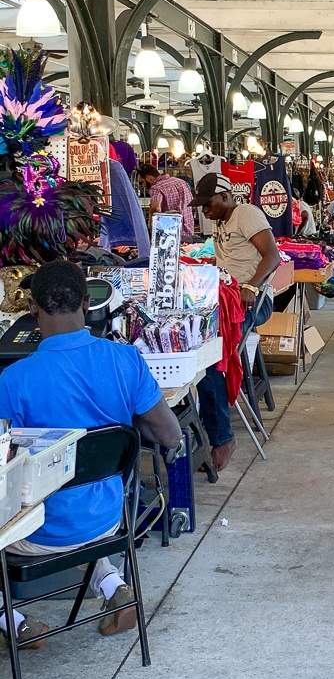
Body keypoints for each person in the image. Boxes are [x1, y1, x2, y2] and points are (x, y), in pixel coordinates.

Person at [0, 261, 182, 648]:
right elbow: (169, 434)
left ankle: (11, 620)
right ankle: (114, 583)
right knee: (74, 497)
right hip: (106, 521)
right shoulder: (125, 360)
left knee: (39, 499)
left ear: (32, 308)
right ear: (88, 302)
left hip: (39, 534)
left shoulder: (14, 379)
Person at [189, 172, 281, 470]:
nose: (204, 210)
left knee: (214, 357)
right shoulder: (220, 222)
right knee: (195, 348)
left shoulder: (246, 214)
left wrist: (252, 285)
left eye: (208, 204)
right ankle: (205, 430)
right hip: (226, 301)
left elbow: (273, 256)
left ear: (225, 197)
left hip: (252, 302)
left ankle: (222, 437)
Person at [138, 162, 195, 238]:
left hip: (171, 235)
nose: (143, 185)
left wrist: (151, 227)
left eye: (141, 182)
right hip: (188, 232)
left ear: (148, 178)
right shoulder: (181, 182)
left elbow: (155, 208)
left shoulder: (156, 188)